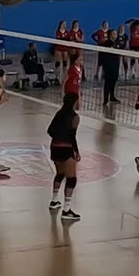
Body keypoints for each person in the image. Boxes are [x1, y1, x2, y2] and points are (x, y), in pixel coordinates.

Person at [47, 92, 82, 222]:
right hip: (65, 148)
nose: (80, 103)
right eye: (79, 100)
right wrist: (76, 151)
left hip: (54, 146)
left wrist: (58, 136)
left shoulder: (59, 113)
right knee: (71, 179)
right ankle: (67, 210)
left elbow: (49, 131)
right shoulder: (75, 117)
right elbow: (72, 136)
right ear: (74, 102)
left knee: (60, 174)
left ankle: (54, 201)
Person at [98, 29, 120, 106]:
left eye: (116, 33)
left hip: (115, 65)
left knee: (113, 81)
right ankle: (105, 99)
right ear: (110, 34)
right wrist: (101, 65)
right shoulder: (106, 44)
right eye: (114, 33)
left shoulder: (117, 43)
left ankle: (112, 97)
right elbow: (102, 55)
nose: (116, 35)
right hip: (108, 66)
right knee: (107, 83)